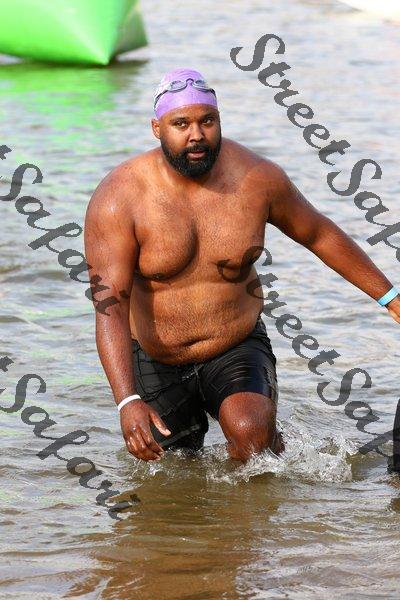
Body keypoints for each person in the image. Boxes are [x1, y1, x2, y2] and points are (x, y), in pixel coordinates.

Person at [84, 68, 400, 463]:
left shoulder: (257, 179)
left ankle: (265, 445)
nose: (196, 135)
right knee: (168, 472)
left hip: (235, 345)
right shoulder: (119, 198)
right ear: (157, 128)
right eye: (181, 124)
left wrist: (390, 297)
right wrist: (126, 400)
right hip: (154, 356)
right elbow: (110, 303)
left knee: (252, 436)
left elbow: (318, 234)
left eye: (207, 121)